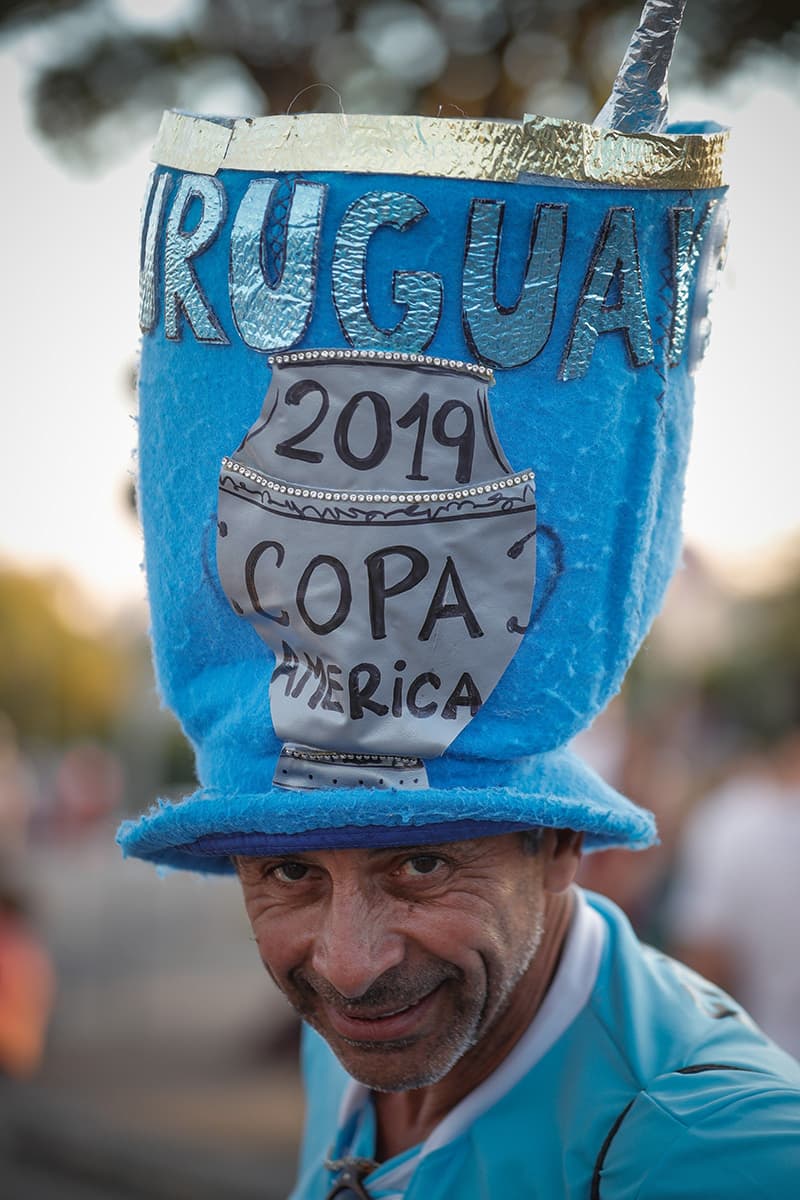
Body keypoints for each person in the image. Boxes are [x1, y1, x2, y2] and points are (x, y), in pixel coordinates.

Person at [117, 2, 800, 1194]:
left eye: (422, 863)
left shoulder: (721, 1154)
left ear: (556, 847)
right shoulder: (374, 1052)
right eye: (287, 872)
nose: (349, 965)